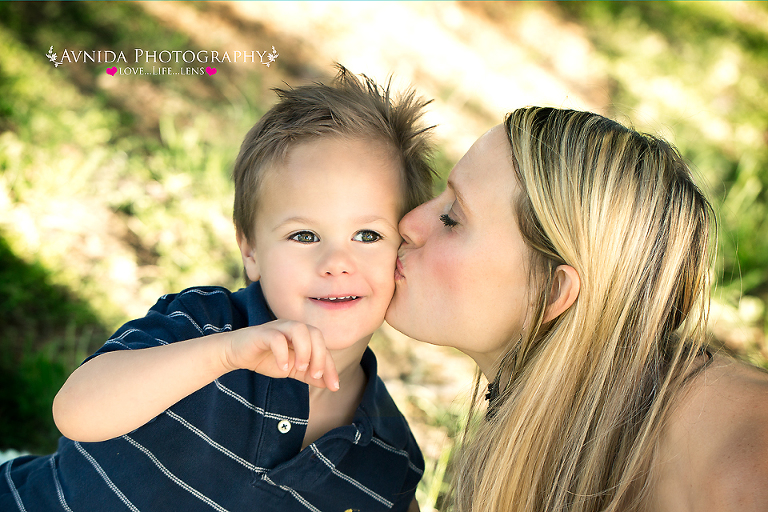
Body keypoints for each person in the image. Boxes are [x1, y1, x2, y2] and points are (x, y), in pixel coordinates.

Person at [0, 67, 434, 512]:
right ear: (250, 250)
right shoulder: (204, 325)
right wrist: (225, 354)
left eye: (367, 235)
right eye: (304, 235)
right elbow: (75, 412)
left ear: (404, 249)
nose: (337, 263)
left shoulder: (389, 460)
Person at [385, 106, 768, 512]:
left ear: (552, 291)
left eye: (452, 218)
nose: (410, 223)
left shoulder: (740, 472)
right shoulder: (556, 413)